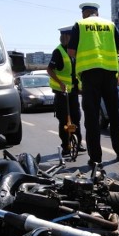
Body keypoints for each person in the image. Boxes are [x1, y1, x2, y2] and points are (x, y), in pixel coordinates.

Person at [67, 2, 119, 166]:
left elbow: (71, 52)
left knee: (92, 117)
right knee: (114, 114)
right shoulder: (110, 25)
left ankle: (95, 157)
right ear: (97, 13)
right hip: (109, 74)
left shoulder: (80, 25)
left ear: (84, 14)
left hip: (89, 75)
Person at [47, 25, 84, 156]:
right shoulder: (58, 52)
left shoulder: (74, 51)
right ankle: (66, 146)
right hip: (61, 92)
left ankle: (78, 144)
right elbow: (49, 70)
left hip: (73, 91)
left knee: (76, 118)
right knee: (64, 120)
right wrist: (60, 83)